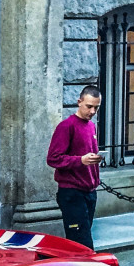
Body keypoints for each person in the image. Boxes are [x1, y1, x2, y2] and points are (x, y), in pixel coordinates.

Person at [47, 85, 103, 250]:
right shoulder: (66, 126)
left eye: (96, 107)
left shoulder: (91, 126)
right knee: (82, 242)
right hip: (72, 193)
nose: (92, 111)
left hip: (90, 192)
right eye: (89, 106)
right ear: (79, 102)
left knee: (80, 239)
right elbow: (53, 158)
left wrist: (94, 159)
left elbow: (85, 156)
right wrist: (80, 160)